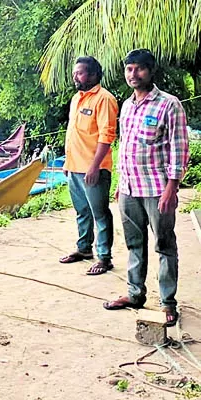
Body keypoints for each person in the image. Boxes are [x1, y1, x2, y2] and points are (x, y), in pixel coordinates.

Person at [103, 49, 189, 327]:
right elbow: (124, 147)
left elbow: (178, 148)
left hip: (157, 189)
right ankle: (134, 293)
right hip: (129, 187)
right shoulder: (126, 105)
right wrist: (119, 183)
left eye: (139, 69)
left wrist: (171, 189)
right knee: (133, 244)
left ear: (151, 71)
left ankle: (167, 303)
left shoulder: (169, 104)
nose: (133, 74)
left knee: (164, 245)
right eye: (129, 69)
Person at [59, 56, 118, 275]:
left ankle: (104, 257)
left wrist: (94, 167)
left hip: (94, 169)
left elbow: (106, 135)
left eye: (80, 72)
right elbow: (72, 133)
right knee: (81, 211)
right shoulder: (77, 99)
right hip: (75, 167)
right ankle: (84, 249)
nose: (76, 76)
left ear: (93, 75)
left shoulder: (104, 99)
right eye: (75, 72)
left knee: (100, 213)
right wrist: (67, 160)